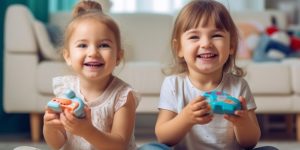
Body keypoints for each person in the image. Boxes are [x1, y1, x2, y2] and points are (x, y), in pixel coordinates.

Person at [139, 0, 278, 150]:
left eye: (216, 35)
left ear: (231, 45)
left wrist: (242, 122)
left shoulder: (239, 86)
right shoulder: (173, 84)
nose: (206, 43)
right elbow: (163, 137)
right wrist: (186, 118)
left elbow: (250, 142)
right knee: (149, 148)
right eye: (194, 37)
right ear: (179, 48)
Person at [43, 1, 140, 150]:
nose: (93, 52)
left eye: (103, 45)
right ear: (68, 56)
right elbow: (57, 144)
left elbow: (119, 145)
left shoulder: (122, 96)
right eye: (82, 45)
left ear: (118, 57)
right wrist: (50, 127)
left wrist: (87, 132)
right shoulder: (65, 89)